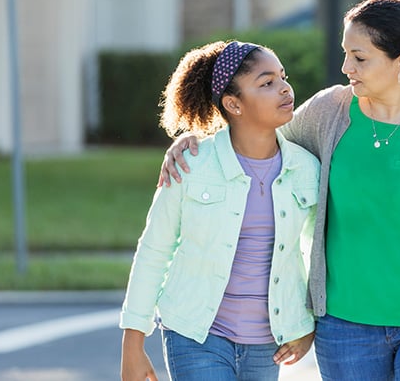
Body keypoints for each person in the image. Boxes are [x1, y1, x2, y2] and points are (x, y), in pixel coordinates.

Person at [159, 0, 400, 381]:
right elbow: (258, 142)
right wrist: (198, 142)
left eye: (360, 58)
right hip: (345, 330)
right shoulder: (330, 113)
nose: (346, 68)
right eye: (346, 54)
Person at [121, 41, 319, 381]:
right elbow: (154, 249)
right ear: (233, 104)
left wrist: (307, 325)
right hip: (195, 336)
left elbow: (317, 253)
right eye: (266, 82)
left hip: (267, 344)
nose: (285, 88)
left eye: (282, 77)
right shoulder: (190, 164)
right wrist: (133, 344)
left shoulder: (306, 168)